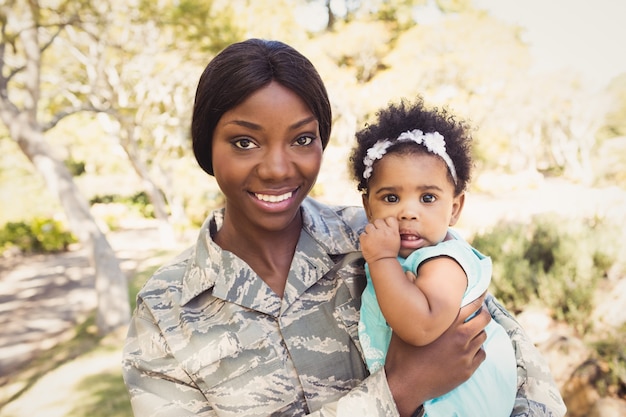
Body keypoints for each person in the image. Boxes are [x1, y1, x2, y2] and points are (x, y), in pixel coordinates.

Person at [122, 38, 566, 417]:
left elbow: (526, 378)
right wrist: (399, 390)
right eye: (244, 142)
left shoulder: (388, 236)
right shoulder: (164, 313)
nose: (278, 168)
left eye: (302, 139)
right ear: (206, 146)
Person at [350, 98, 518, 416]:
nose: (409, 212)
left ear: (454, 208)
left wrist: (382, 260)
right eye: (391, 197)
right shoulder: (410, 257)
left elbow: (421, 327)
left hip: (461, 402)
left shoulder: (446, 262)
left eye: (428, 198)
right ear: (369, 207)